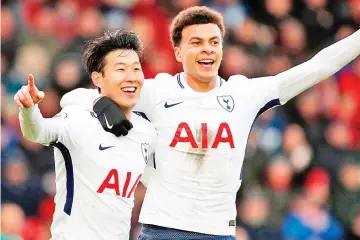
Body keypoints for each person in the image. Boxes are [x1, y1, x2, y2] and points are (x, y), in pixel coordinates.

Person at [61, 6, 360, 240]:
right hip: (163, 231)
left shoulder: (244, 93)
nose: (207, 49)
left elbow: (320, 66)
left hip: (220, 232)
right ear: (178, 52)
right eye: (196, 42)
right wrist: (101, 104)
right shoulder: (155, 91)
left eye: (214, 42)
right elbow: (72, 97)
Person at [14, 30, 156, 240]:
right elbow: (38, 131)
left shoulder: (145, 131)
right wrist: (28, 110)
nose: (131, 77)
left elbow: (163, 181)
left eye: (136, 68)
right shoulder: (77, 119)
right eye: (120, 69)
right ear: (98, 78)